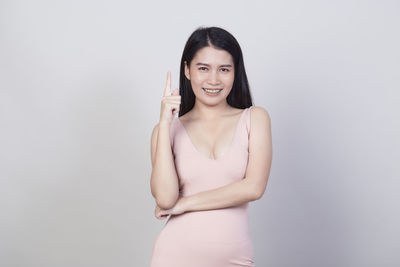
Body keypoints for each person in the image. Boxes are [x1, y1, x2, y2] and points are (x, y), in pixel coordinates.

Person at [149, 26, 272, 267]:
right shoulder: (166, 131)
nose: (213, 80)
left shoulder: (255, 119)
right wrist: (165, 124)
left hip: (235, 259)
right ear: (187, 70)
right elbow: (165, 199)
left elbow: (254, 187)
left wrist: (185, 204)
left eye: (224, 69)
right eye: (203, 68)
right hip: (173, 256)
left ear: (236, 72)